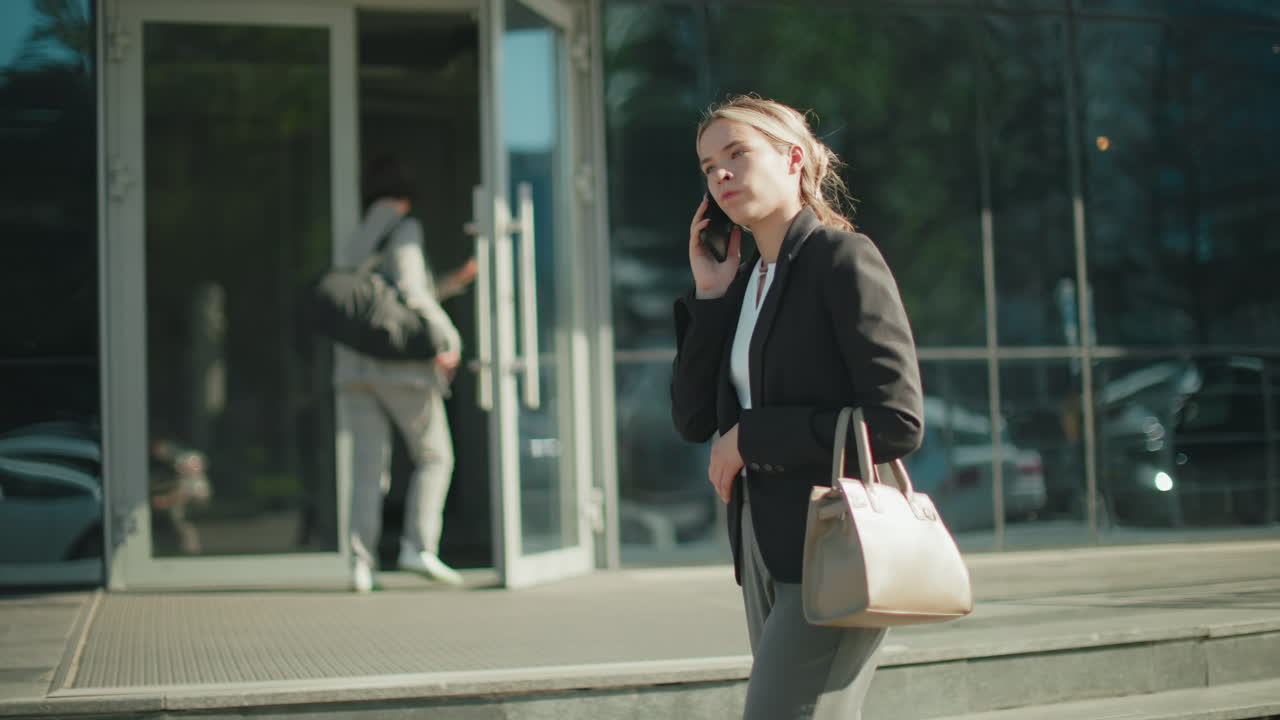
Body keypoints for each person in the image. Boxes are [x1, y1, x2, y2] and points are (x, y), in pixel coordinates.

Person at [670, 95, 925, 719]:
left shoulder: (841, 259)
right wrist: (709, 298)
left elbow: (896, 420)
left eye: (737, 154)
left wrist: (751, 439)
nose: (720, 174)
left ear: (792, 159)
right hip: (762, 541)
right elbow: (693, 420)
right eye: (708, 166)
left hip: (836, 539)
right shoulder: (746, 278)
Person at [336, 154, 477, 592]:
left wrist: (454, 281)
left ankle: (362, 564)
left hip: (354, 367)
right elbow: (413, 292)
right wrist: (447, 340)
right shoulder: (404, 228)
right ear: (406, 195)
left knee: (367, 468)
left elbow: (385, 296)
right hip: (403, 371)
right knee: (435, 457)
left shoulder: (355, 234)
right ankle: (419, 548)